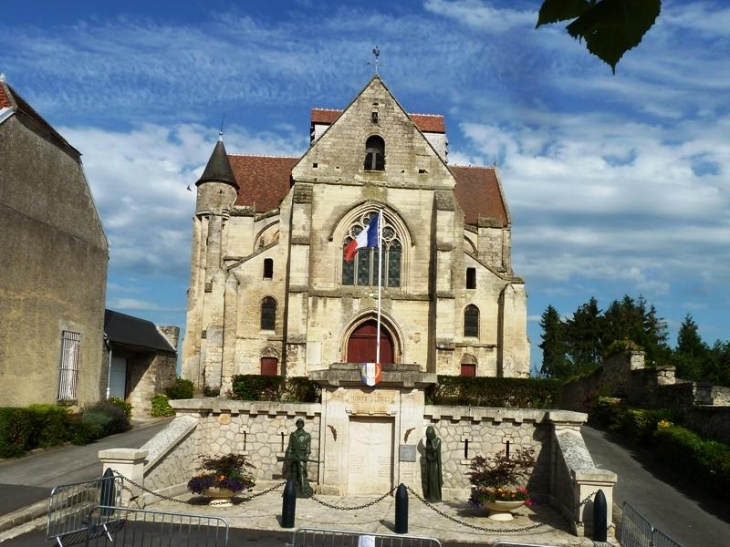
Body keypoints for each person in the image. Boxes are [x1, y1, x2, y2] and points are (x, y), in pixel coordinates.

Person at [285, 418, 313, 497]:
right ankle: (292, 489)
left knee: (301, 473)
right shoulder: (293, 435)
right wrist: (289, 454)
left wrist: (306, 456)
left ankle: (303, 489)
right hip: (294, 456)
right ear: (296, 424)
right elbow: (290, 446)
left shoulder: (307, 435)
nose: (299, 424)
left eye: (301, 423)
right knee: (293, 473)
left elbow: (308, 448)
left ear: (303, 425)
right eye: (298, 423)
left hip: (302, 456)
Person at [424, 425, 442, 502]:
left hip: (435, 464)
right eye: (428, 436)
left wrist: (432, 443)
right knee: (429, 480)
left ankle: (436, 497)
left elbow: (436, 452)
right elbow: (427, 451)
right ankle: (430, 496)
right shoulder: (427, 441)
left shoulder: (438, 440)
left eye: (430, 435)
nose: (429, 437)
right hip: (429, 462)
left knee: (433, 480)